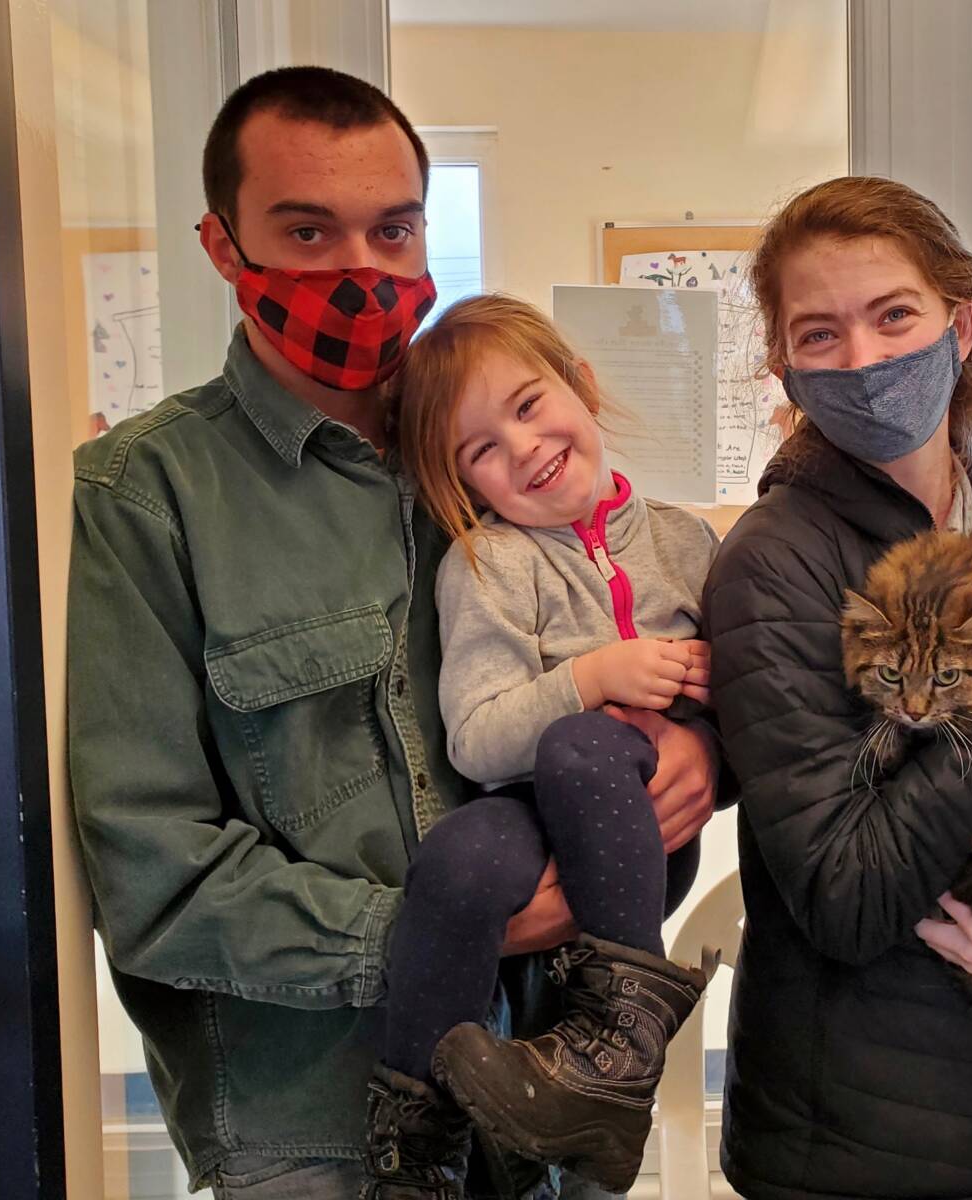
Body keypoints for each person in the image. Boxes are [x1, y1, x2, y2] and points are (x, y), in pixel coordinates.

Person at [67, 67, 719, 1200]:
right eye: (306, 232)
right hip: (318, 1130)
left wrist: (701, 756)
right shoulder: (149, 495)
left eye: (394, 230)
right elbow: (154, 877)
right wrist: (453, 928)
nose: (360, 269)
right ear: (223, 246)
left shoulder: (492, 448)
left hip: (551, 1095)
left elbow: (648, 648)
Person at [702, 175, 972, 1200]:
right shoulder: (774, 562)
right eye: (820, 334)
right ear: (784, 364)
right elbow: (845, 898)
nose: (864, 359)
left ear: (962, 324)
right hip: (851, 1156)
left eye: (893, 315)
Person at [380, 295, 718, 1191]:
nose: (524, 447)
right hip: (530, 810)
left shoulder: (687, 542)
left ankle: (620, 1048)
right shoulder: (486, 564)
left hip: (640, 835)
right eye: (482, 450)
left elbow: (750, 709)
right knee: (454, 859)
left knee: (583, 745)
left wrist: (712, 702)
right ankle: (416, 1148)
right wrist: (594, 676)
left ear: (583, 387)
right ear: (466, 486)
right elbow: (475, 739)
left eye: (529, 406)